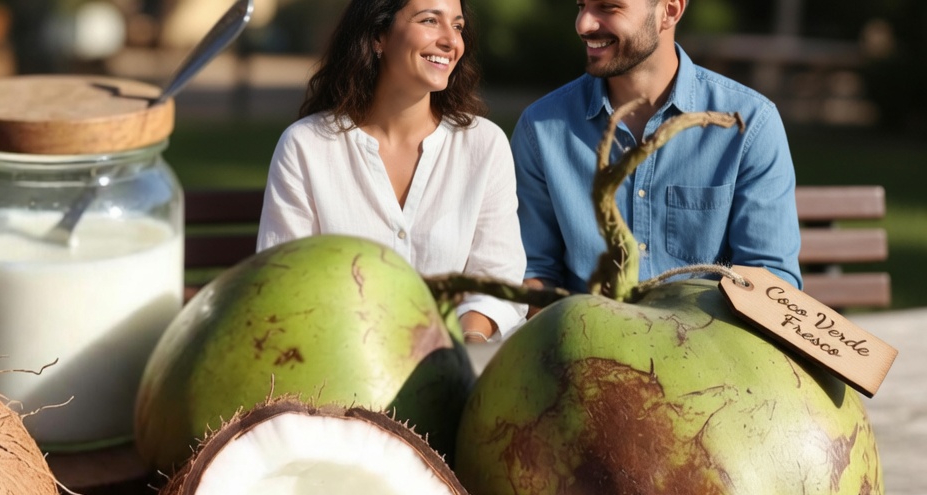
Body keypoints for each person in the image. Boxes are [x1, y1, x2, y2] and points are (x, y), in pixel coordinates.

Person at [257, 0, 526, 343]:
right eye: (430, 21)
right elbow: (285, 285)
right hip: (337, 361)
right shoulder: (306, 146)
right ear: (378, 35)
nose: (451, 41)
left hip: (456, 361)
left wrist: (466, 348)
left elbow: (497, 280)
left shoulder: (484, 145)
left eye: (457, 26)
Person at [512, 0, 802, 300]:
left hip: (707, 330)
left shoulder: (750, 124)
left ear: (670, 11)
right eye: (581, 5)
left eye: (608, 7)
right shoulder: (540, 128)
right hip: (580, 329)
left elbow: (770, 282)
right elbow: (532, 271)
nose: (583, 24)